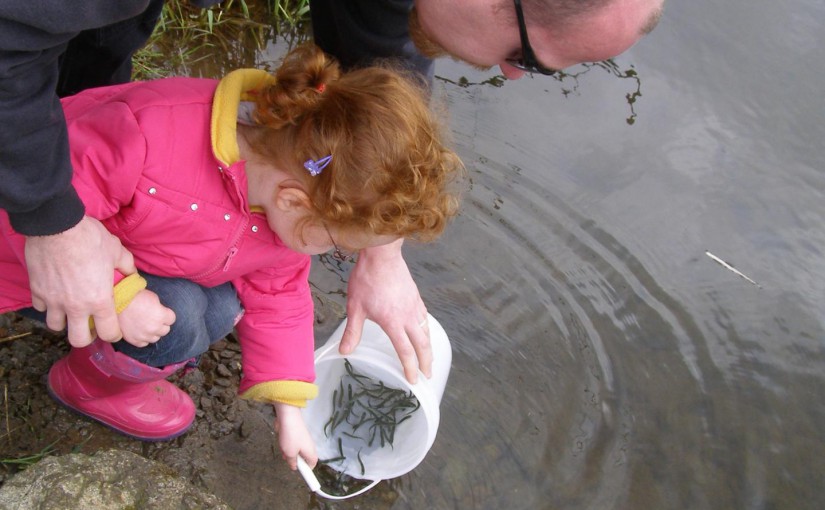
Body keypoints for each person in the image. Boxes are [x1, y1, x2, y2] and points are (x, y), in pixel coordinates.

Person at [0, 43, 463, 469]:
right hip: (24, 262)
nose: (333, 255)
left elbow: (280, 296)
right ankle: (87, 388)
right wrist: (121, 296)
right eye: (336, 246)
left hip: (135, 255)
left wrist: (292, 413)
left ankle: (114, 358)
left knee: (222, 308)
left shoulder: (288, 192)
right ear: (293, 200)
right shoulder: (149, 133)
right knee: (179, 320)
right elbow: (35, 220)